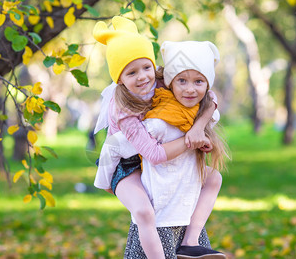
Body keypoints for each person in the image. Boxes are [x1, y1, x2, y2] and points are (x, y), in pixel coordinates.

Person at [92, 17, 219, 259]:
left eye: (146, 67)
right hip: (125, 167)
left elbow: (210, 98)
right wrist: (190, 141)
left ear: (154, 66)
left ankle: (190, 242)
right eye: (131, 72)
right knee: (144, 212)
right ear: (119, 78)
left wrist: (198, 128)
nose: (142, 77)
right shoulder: (123, 110)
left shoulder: (162, 82)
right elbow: (154, 155)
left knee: (213, 178)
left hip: (143, 160)